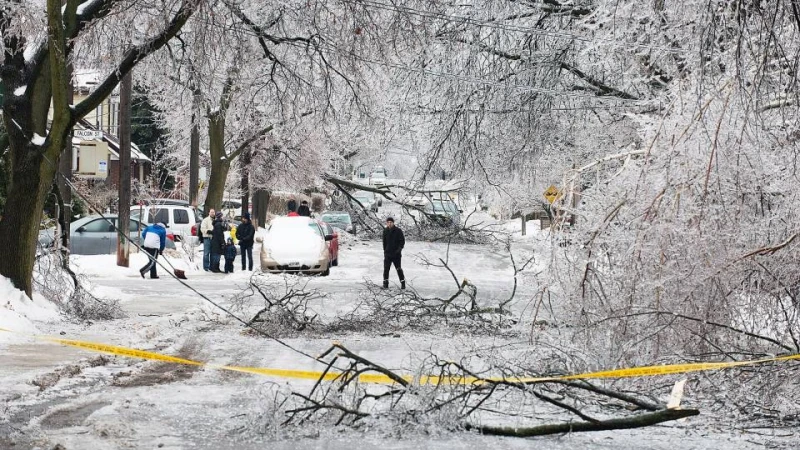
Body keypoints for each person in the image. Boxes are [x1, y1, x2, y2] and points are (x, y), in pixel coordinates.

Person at [382, 217, 405, 289]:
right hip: (388, 254)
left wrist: (399, 249)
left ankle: (403, 283)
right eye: (388, 222)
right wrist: (385, 251)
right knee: (386, 269)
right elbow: (384, 242)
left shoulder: (398, 231)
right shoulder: (385, 231)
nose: (389, 224)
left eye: (391, 222)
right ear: (386, 223)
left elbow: (402, 241)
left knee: (398, 269)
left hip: (396, 254)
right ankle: (385, 283)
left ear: (393, 223)